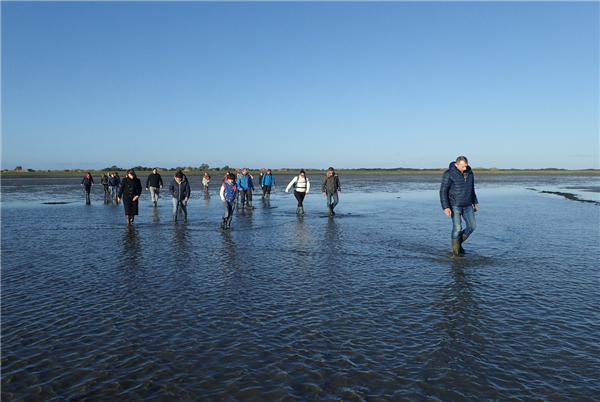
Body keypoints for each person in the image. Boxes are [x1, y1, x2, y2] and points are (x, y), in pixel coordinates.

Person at [440, 156, 479, 256]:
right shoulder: (448, 174)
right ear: (456, 165)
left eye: (466, 166)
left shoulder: (470, 173)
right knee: (457, 228)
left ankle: (456, 245)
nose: (465, 168)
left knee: (472, 226)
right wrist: (446, 207)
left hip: (468, 205)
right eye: (462, 166)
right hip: (455, 205)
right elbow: (443, 191)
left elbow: (472, 188)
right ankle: (456, 253)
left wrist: (475, 201)